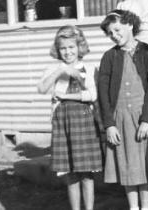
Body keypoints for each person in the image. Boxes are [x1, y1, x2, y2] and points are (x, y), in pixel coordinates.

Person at [98, 10, 148, 210]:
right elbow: (102, 93)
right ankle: (133, 207)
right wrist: (109, 125)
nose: (114, 35)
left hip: (141, 116)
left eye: (117, 29)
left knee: (143, 163)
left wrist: (147, 119)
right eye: (110, 33)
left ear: (130, 25)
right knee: (127, 162)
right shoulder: (109, 56)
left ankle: (145, 206)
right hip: (119, 118)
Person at [37, 25, 101, 210]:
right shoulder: (54, 68)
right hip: (63, 122)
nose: (67, 52)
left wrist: (67, 94)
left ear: (79, 47)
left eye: (71, 47)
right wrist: (61, 71)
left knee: (87, 173)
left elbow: (92, 95)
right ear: (58, 50)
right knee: (71, 174)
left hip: (84, 122)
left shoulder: (88, 68)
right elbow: (41, 89)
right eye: (63, 48)